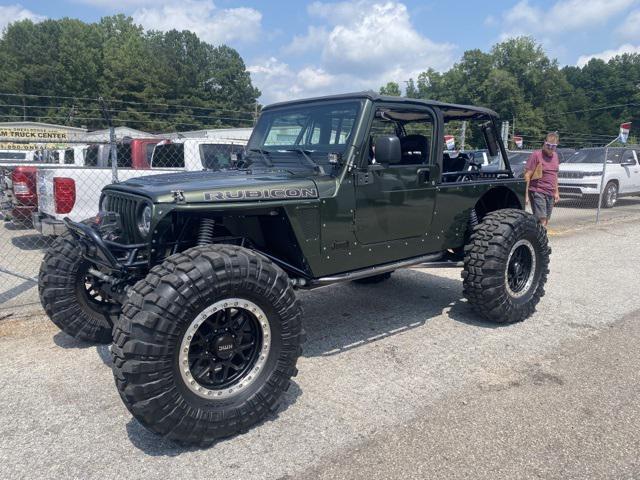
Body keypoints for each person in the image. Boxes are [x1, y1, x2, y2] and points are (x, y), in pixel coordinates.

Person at [524, 132, 560, 227]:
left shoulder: (555, 156)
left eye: (553, 146)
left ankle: (539, 237)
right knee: (541, 219)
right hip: (538, 190)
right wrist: (526, 195)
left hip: (550, 192)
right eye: (548, 145)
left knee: (546, 219)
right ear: (544, 143)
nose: (550, 148)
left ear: (556, 146)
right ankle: (540, 240)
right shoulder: (536, 155)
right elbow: (527, 175)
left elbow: (554, 175)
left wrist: (556, 192)